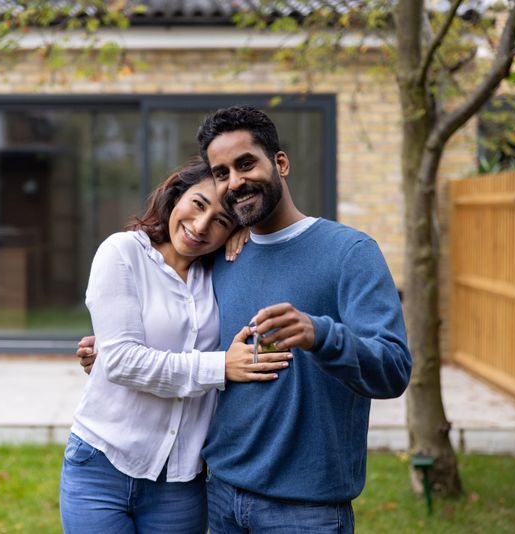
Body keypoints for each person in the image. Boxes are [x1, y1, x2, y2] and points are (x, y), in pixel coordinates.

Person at [77, 106, 412, 533]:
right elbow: (188, 332)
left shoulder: (350, 253)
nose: (235, 181)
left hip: (307, 510)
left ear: (282, 163)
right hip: (219, 497)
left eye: (246, 164)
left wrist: (320, 334)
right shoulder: (218, 257)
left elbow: (394, 370)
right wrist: (107, 347)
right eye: (221, 173)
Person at [60, 157, 292, 534]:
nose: (201, 227)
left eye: (221, 221)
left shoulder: (223, 271)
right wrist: (220, 367)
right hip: (101, 464)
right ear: (175, 193)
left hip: (180, 479)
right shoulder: (122, 253)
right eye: (198, 205)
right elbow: (120, 362)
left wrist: (249, 236)